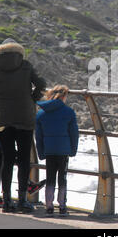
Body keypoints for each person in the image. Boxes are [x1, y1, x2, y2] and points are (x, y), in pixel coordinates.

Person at [0, 38, 46, 213]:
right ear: (18, 51)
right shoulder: (25, 66)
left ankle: (7, 201)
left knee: (7, 159)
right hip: (24, 117)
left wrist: (2, 102)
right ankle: (22, 200)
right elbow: (41, 84)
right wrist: (31, 98)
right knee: (24, 159)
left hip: (3, 119)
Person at [35, 85, 79, 216]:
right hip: (63, 149)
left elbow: (38, 136)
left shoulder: (41, 113)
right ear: (64, 96)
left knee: (50, 178)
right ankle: (62, 206)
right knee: (62, 178)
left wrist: (41, 152)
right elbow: (74, 134)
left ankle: (49, 206)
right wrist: (73, 150)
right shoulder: (69, 112)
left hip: (49, 149)